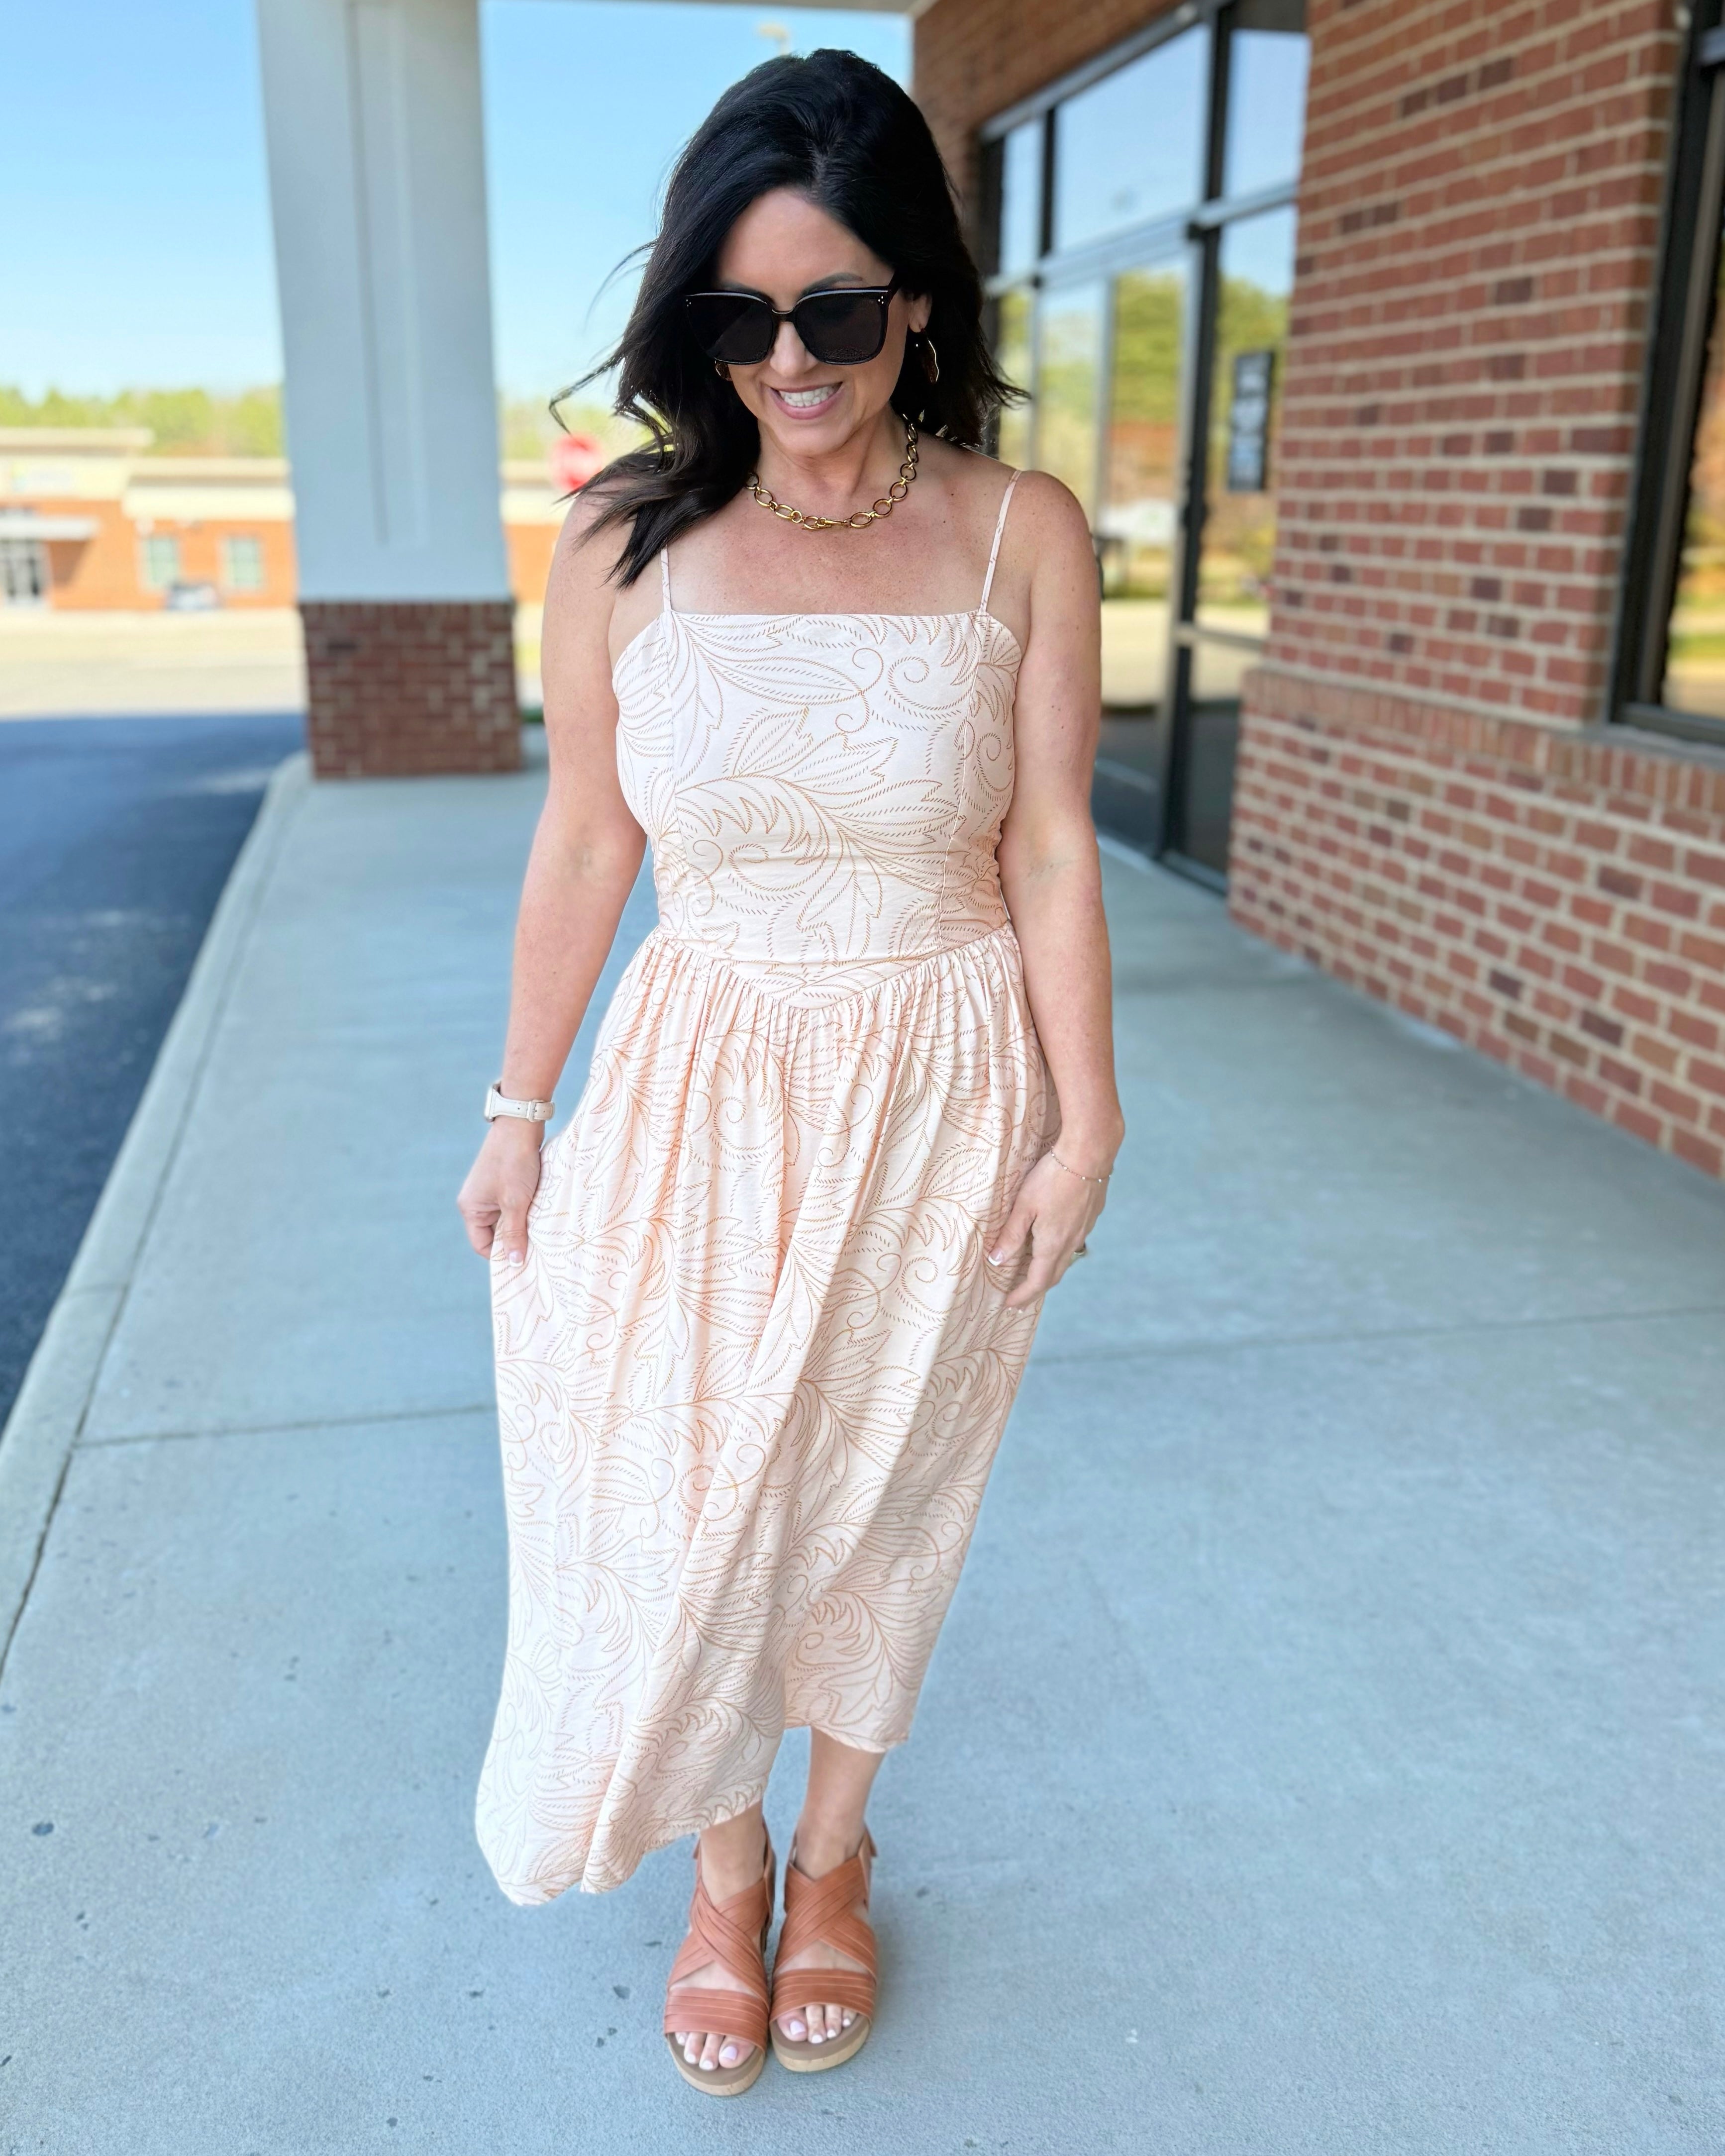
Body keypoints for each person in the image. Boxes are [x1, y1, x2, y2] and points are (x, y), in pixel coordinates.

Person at [457, 46, 1122, 2097]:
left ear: (915, 297)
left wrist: (1088, 1114)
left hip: (941, 1080)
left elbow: (1048, 845)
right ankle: (719, 1866)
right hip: (694, 1077)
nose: (792, 361)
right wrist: (514, 1104)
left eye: (834, 310)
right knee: (685, 1508)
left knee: (874, 1506)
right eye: (742, 319)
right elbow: (588, 838)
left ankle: (829, 1860)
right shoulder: (626, 549)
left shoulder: (1022, 534)